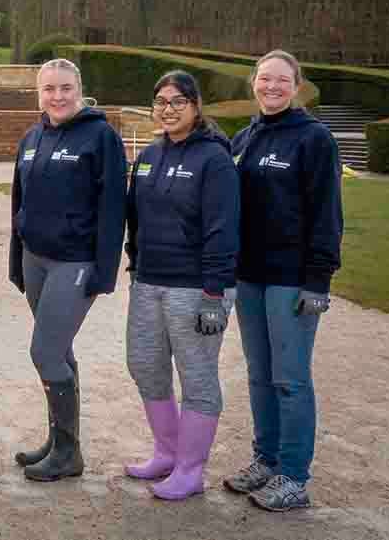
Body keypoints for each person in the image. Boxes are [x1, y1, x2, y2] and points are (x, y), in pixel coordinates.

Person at [224, 50, 343, 512]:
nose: (272, 86)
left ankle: (293, 476)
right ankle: (266, 460)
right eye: (264, 78)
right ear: (253, 82)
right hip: (249, 275)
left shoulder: (314, 139)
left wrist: (319, 280)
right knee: (259, 376)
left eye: (282, 80)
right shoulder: (244, 137)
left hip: (293, 279)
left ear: (297, 86)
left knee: (291, 379)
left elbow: (327, 213)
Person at [8, 57, 127, 482]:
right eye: (48, 89)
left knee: (44, 351)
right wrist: (16, 263)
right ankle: (60, 440)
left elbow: (114, 207)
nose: (57, 96)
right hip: (35, 259)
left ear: (80, 90)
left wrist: (105, 272)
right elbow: (19, 204)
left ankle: (68, 453)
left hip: (74, 261)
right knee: (60, 351)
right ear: (38, 93)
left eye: (65, 88)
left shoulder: (101, 137)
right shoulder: (32, 137)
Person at [124, 70, 240, 500]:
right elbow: (135, 217)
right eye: (160, 102)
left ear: (195, 106)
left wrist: (214, 292)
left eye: (177, 101)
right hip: (149, 281)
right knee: (144, 364)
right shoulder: (149, 155)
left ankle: (191, 470)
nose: (167, 109)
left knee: (197, 374)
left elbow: (223, 228)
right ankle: (168, 452)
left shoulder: (214, 158)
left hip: (196, 286)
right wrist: (135, 264)